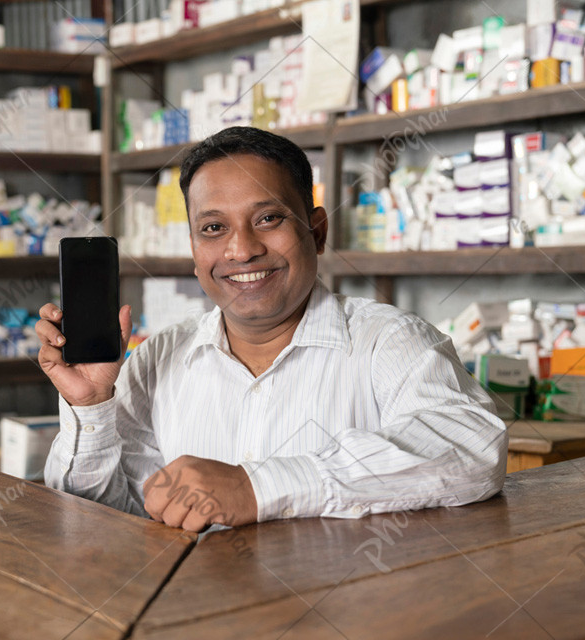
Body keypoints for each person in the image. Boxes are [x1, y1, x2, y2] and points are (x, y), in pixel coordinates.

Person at [39, 126, 507, 533]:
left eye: (269, 218)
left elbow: (473, 447)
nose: (241, 250)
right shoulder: (158, 359)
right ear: (194, 252)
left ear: (317, 231)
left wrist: (256, 487)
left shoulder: (388, 340)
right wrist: (91, 406)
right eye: (213, 228)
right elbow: (102, 522)